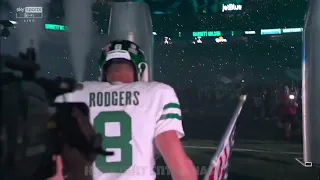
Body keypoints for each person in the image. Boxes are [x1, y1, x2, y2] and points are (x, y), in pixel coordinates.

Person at [54, 40, 197, 180]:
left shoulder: (71, 95)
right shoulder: (158, 93)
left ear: (103, 70)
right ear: (140, 68)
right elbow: (180, 168)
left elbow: (53, 168)